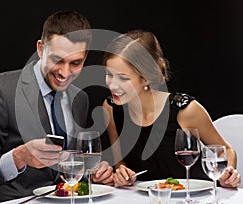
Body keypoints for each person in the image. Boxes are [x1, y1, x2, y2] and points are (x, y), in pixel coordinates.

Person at [0, 10, 113, 204]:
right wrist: (18, 157)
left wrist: (92, 173)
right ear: (41, 49)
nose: (65, 73)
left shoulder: (80, 99)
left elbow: (68, 169)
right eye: (57, 60)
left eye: (75, 63)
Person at [102, 29, 241, 188]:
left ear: (146, 78)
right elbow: (121, 164)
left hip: (195, 197)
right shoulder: (111, 108)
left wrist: (226, 174)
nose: (112, 85)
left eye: (122, 78)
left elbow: (226, 150)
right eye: (109, 74)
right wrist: (121, 174)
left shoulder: (185, 111)